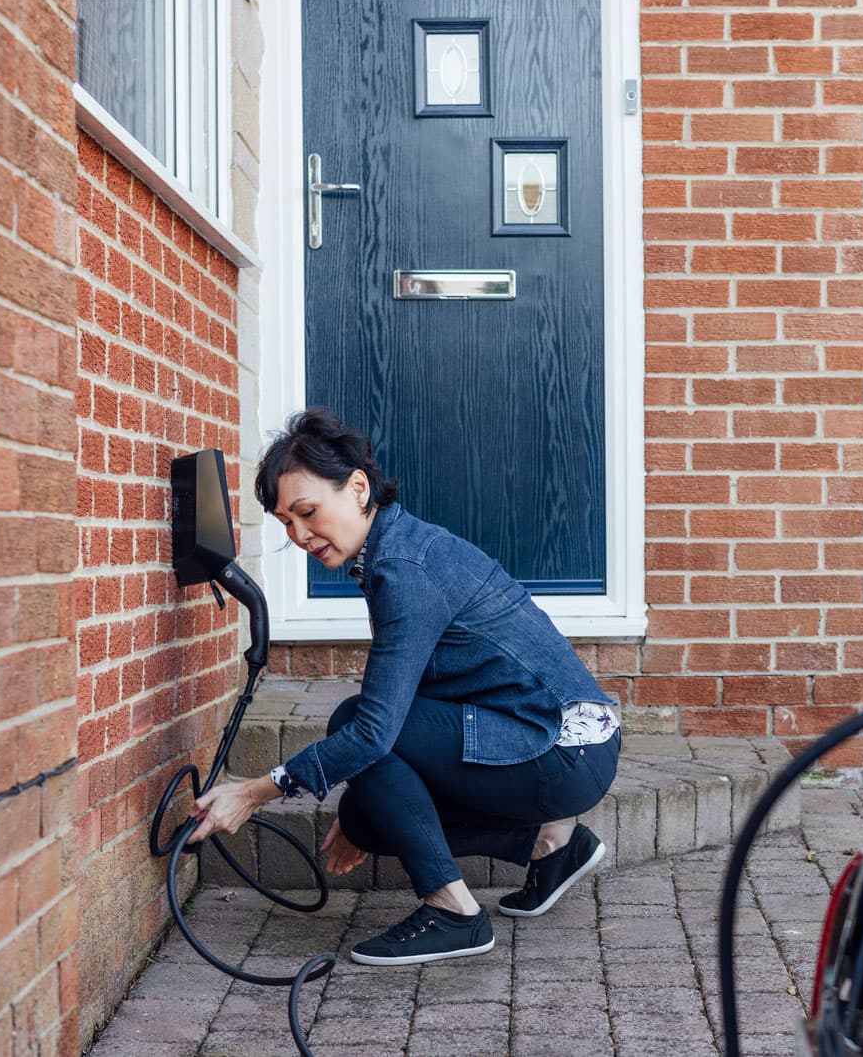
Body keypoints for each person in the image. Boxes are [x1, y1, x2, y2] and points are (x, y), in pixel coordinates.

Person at [186, 408, 620, 965]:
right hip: (562, 740)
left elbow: (371, 733)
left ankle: (455, 913)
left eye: (308, 512)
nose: (298, 535)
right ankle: (551, 846)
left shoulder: (404, 570)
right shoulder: (399, 547)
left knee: (354, 727)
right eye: (284, 523)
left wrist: (251, 792)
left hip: (561, 749)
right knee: (369, 814)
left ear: (358, 487)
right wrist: (365, 813)